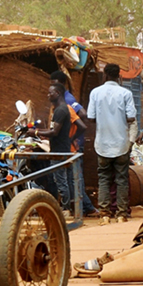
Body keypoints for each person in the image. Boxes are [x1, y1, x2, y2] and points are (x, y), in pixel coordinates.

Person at [87, 64, 137, 224]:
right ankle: (122, 214)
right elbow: (131, 117)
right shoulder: (126, 93)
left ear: (105, 75)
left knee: (103, 179)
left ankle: (104, 214)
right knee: (121, 179)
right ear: (118, 76)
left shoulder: (95, 93)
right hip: (121, 143)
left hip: (102, 143)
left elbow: (91, 117)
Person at [28, 81, 86, 210]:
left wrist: (35, 132)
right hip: (62, 148)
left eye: (50, 93)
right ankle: (70, 208)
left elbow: (54, 132)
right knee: (66, 180)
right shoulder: (61, 109)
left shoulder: (61, 110)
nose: (48, 95)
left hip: (59, 151)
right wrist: (41, 133)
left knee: (61, 181)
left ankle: (65, 209)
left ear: (58, 93)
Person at [51, 70, 96, 216]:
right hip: (70, 144)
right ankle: (81, 207)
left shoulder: (67, 101)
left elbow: (83, 115)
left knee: (71, 178)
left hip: (71, 146)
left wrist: (72, 137)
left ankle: (81, 208)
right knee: (71, 178)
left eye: (52, 87)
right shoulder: (64, 102)